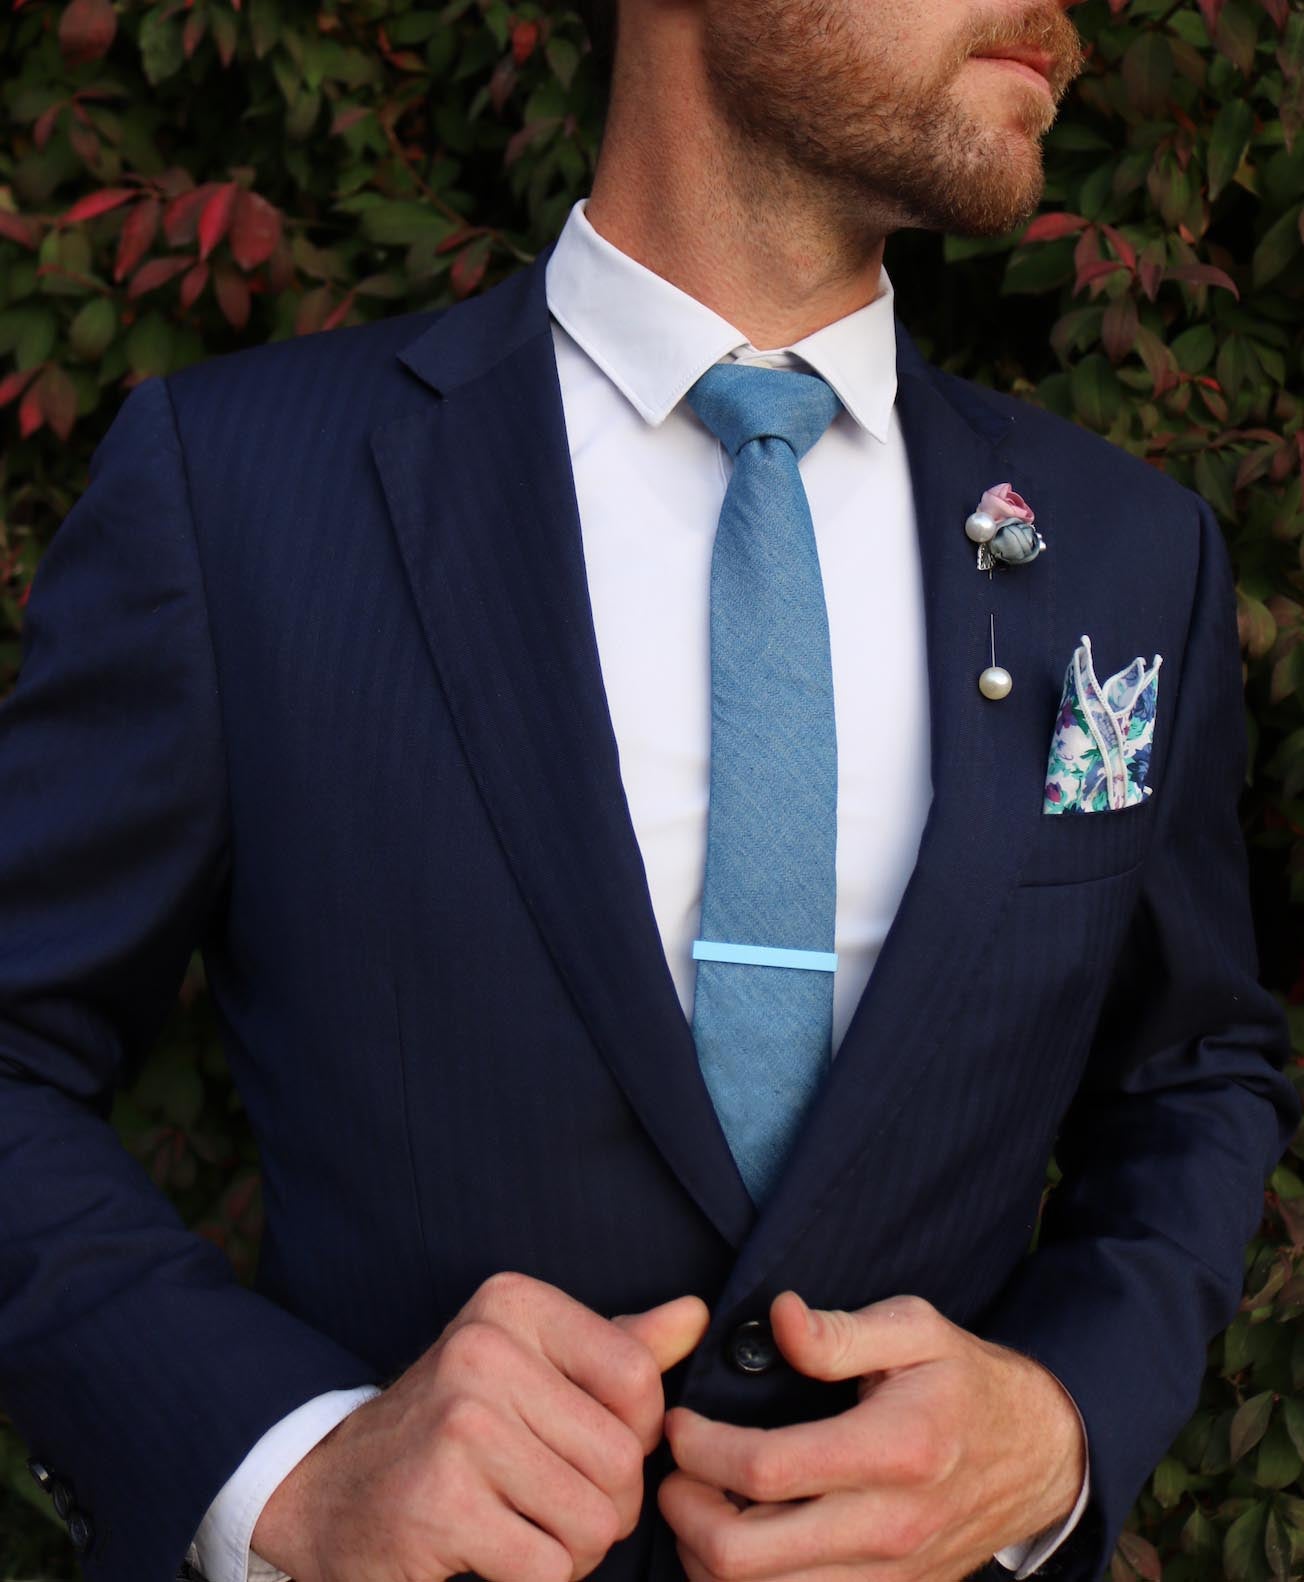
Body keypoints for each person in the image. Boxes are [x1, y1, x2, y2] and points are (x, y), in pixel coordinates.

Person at [1, 0, 1297, 1579]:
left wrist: (1063, 1418)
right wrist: (285, 1464)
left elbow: (1196, 1071)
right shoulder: (242, 491)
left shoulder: (1126, 555)